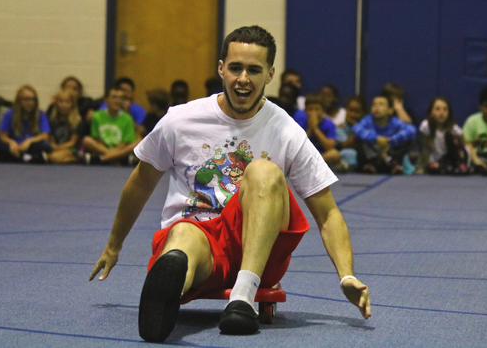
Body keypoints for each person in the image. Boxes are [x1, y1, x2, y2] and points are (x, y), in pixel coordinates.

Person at [89, 25, 371, 343]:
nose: (243, 79)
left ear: (270, 74)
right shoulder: (180, 121)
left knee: (263, 170)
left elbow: (328, 212)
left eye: (254, 70)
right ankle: (171, 287)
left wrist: (346, 274)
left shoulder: (287, 131)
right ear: (221, 69)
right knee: (182, 232)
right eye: (235, 68)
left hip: (258, 243)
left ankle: (242, 296)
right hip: (201, 239)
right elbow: (140, 184)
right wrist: (114, 245)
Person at [353, 95, 417, 174]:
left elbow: (411, 130)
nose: (377, 107)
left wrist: (390, 141)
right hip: (373, 155)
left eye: (381, 105)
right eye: (374, 104)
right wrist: (376, 139)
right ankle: (375, 163)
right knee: (360, 139)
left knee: (405, 141)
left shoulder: (394, 122)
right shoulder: (367, 120)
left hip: (390, 151)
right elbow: (356, 128)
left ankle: (393, 163)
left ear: (390, 110)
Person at [81, 86, 137, 165]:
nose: (117, 101)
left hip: (120, 149)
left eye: (120, 98)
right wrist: (111, 153)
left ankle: (101, 159)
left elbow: (124, 143)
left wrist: (114, 152)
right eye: (114, 97)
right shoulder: (97, 116)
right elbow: (97, 139)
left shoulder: (128, 118)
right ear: (106, 99)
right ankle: (117, 159)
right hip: (103, 148)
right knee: (87, 140)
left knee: (137, 143)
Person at [0, 85, 51, 163]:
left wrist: (29, 141)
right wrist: (12, 143)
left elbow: (45, 135)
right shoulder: (9, 114)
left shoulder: (40, 115)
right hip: (14, 145)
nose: (29, 102)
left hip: (30, 146)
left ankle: (16, 157)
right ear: (19, 100)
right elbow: (3, 135)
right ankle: (28, 157)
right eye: (26, 99)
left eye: (32, 99)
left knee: (45, 144)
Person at [418, 97, 469, 175]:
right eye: (437, 109)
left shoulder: (454, 128)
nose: (441, 113)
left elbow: (463, 147)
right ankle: (453, 170)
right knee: (431, 166)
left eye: (445, 109)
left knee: (449, 135)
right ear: (431, 112)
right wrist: (423, 166)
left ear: (449, 112)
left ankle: (462, 167)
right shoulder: (426, 126)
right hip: (441, 162)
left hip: (454, 159)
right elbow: (425, 149)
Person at [304, 93, 344, 171]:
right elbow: (298, 145)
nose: (314, 113)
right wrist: (310, 129)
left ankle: (314, 165)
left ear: (323, 110)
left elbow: (330, 146)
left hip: (323, 156)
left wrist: (315, 129)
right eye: (310, 109)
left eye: (317, 109)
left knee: (334, 154)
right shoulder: (300, 123)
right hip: (306, 155)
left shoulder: (329, 124)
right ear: (305, 110)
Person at [46, 89, 85, 164]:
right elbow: (51, 138)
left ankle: (77, 158)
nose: (63, 105)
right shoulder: (52, 120)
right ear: (56, 103)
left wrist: (58, 148)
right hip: (56, 149)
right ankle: (70, 160)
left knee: (53, 157)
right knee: (50, 157)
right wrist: (53, 146)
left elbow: (72, 142)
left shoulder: (77, 121)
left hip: (72, 149)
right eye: (61, 102)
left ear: (72, 104)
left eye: (67, 102)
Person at [336, 95, 367, 171]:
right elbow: (347, 145)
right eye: (350, 110)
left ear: (363, 113)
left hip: (365, 158)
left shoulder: (367, 126)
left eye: (356, 111)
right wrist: (356, 127)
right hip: (348, 155)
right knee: (349, 153)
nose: (353, 114)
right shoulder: (340, 127)